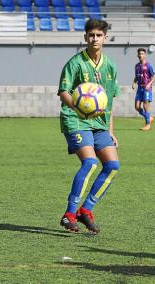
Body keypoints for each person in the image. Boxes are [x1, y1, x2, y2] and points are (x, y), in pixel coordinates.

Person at [58, 19, 121, 234]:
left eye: (98, 35)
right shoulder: (75, 63)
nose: (94, 39)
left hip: (100, 124)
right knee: (90, 163)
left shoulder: (110, 65)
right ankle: (69, 214)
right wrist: (78, 107)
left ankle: (86, 210)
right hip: (76, 119)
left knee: (113, 166)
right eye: (91, 35)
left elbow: (109, 101)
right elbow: (64, 91)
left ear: (105, 38)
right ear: (85, 38)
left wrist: (111, 131)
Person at [132, 48, 155, 131]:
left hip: (146, 88)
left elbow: (154, 77)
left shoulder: (148, 65)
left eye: (142, 54)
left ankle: (147, 124)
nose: (140, 55)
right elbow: (137, 76)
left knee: (146, 106)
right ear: (137, 55)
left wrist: (149, 84)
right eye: (139, 54)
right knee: (137, 107)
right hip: (139, 88)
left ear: (145, 55)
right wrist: (134, 82)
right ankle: (149, 117)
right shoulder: (137, 66)